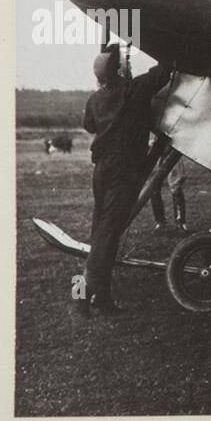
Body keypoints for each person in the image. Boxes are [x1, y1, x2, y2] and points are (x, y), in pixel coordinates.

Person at [79, 46, 172, 316]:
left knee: (103, 232)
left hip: (102, 171)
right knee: (106, 236)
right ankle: (81, 295)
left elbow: (90, 126)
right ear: (119, 70)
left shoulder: (95, 100)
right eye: (124, 65)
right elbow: (165, 71)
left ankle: (102, 298)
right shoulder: (134, 91)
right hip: (124, 173)